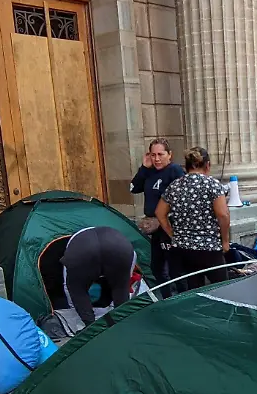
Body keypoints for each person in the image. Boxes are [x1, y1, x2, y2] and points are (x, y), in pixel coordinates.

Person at [156, 147, 231, 289]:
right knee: (223, 290)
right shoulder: (212, 185)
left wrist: (173, 235)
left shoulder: (175, 186)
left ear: (186, 166)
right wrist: (225, 240)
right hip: (209, 248)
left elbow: (160, 213)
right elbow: (223, 214)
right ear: (207, 165)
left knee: (194, 291)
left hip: (182, 249)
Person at [130, 138, 185, 297]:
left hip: (169, 226)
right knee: (157, 267)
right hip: (154, 229)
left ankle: (182, 296)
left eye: (160, 154)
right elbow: (133, 188)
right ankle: (166, 297)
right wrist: (143, 168)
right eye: (153, 155)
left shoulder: (174, 171)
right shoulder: (149, 171)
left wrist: (163, 220)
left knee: (175, 268)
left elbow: (182, 198)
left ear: (169, 155)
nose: (157, 159)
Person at [60, 226, 137, 326]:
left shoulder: (75, 241)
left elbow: (67, 285)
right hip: (119, 247)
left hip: (83, 251)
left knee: (77, 289)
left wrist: (74, 308)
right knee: (121, 287)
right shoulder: (117, 233)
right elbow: (126, 280)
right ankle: (122, 322)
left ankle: (89, 326)